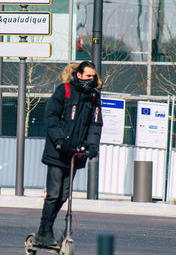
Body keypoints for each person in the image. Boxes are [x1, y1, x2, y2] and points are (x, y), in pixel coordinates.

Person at [36, 61, 103, 246]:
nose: (92, 79)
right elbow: (50, 116)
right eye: (88, 76)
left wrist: (92, 146)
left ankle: (45, 229)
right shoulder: (64, 90)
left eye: (93, 76)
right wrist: (59, 140)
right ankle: (44, 230)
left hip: (75, 153)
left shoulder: (94, 97)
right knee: (54, 193)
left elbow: (95, 125)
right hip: (57, 152)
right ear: (79, 75)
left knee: (64, 195)